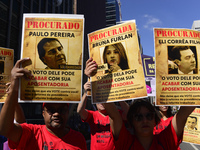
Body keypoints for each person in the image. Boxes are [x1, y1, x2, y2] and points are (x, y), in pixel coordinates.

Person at [85, 58, 196, 150]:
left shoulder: (165, 140)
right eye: (138, 117)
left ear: (155, 120)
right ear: (132, 121)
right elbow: (114, 115)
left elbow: (186, 111)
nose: (145, 120)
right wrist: (94, 77)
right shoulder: (126, 142)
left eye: (149, 115)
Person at [0, 58, 87, 150]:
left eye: (61, 109)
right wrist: (13, 89)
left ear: (67, 112)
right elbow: (4, 129)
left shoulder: (78, 138)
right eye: (51, 110)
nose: (56, 114)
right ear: (43, 113)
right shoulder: (31, 133)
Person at [77, 80, 129, 150]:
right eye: (98, 99)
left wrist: (118, 95)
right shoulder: (93, 115)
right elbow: (80, 111)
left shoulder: (117, 114)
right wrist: (86, 92)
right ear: (94, 101)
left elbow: (129, 114)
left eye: (104, 98)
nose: (101, 102)